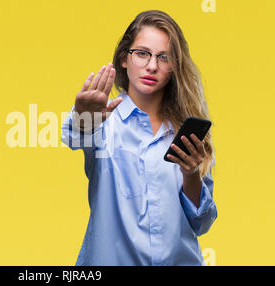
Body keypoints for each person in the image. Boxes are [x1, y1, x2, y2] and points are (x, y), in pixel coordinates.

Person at [61, 10, 217, 266]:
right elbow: (74, 136)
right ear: (124, 58)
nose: (152, 66)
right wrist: (83, 115)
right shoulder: (103, 121)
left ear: (174, 67)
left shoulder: (186, 131)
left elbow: (201, 222)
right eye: (142, 53)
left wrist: (191, 175)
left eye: (163, 57)